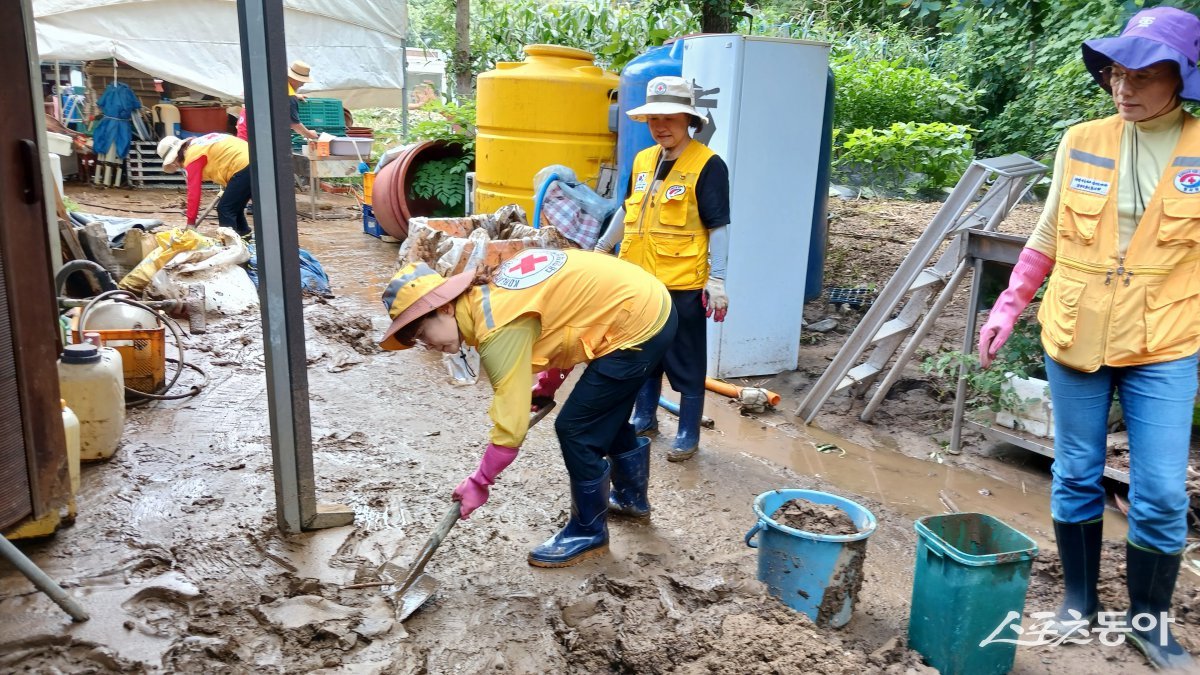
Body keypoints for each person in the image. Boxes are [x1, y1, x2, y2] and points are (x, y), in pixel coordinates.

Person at [978, 7, 1200, 669]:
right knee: (1075, 472)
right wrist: (1009, 305)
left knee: (1160, 489)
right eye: (1115, 72)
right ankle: (1079, 598)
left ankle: (1148, 621)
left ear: (1183, 76)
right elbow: (1047, 233)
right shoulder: (1082, 139)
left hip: (1165, 337)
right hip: (1076, 329)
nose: (1123, 87)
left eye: (1143, 74)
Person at [379, 249, 677, 567]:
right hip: (644, 302)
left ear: (447, 307)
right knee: (603, 414)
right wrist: (547, 384)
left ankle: (588, 533)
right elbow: (563, 327)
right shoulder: (485, 299)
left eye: (423, 332)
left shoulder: (495, 327)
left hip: (637, 322)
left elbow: (511, 426)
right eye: (416, 340)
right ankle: (632, 499)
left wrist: (480, 482)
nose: (426, 345)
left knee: (576, 429)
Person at [594, 76, 731, 463]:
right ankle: (645, 415)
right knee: (641, 352)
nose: (660, 126)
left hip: (683, 282)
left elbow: (718, 225)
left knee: (685, 358)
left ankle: (687, 431)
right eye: (653, 118)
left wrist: (717, 279)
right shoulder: (642, 160)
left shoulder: (708, 165)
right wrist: (603, 247)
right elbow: (627, 208)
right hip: (639, 280)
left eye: (669, 117)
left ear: (688, 120)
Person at [157, 133, 252, 236]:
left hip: (242, 164)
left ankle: (231, 247)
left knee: (225, 209)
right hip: (250, 159)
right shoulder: (197, 145)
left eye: (174, 162)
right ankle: (244, 236)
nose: (176, 165)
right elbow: (221, 157)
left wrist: (191, 223)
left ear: (176, 156)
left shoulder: (191, 158)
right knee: (234, 208)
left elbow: (194, 194)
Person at [236, 59, 319, 141]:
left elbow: (274, 96)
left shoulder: (275, 82)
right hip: (256, 134)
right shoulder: (290, 97)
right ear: (294, 80)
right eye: (302, 82)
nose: (302, 84)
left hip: (245, 126)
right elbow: (295, 124)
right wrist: (309, 134)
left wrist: (296, 96)